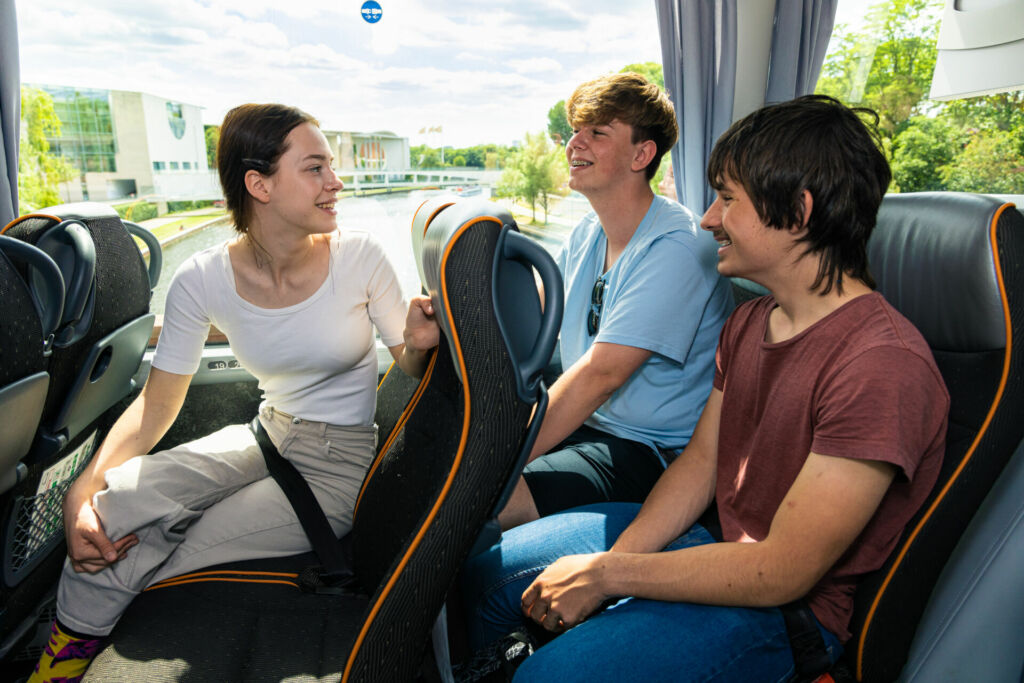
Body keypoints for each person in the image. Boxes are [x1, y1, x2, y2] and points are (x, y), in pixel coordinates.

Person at [461, 95, 949, 681]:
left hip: (785, 610)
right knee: (486, 580)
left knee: (554, 676)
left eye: (728, 199)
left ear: (797, 211)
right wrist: (611, 565)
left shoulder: (881, 364)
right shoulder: (751, 321)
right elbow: (701, 462)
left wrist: (608, 576)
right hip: (710, 541)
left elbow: (783, 571)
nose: (709, 218)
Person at [30, 103, 439, 682]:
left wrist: (420, 343)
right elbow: (157, 403)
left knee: (170, 555)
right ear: (259, 184)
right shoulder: (202, 277)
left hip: (336, 466)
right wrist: (83, 489)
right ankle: (55, 669)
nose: (336, 182)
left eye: (331, 168)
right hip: (264, 435)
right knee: (111, 511)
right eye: (316, 168)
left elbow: (412, 370)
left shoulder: (361, 257)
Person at [499, 73, 733, 529]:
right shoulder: (589, 231)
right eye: (575, 132)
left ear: (641, 155)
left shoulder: (678, 246)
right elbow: (534, 315)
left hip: (650, 449)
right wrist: (447, 318)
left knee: (487, 502)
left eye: (597, 133)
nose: (574, 144)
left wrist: (495, 461)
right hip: (594, 426)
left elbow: (601, 375)